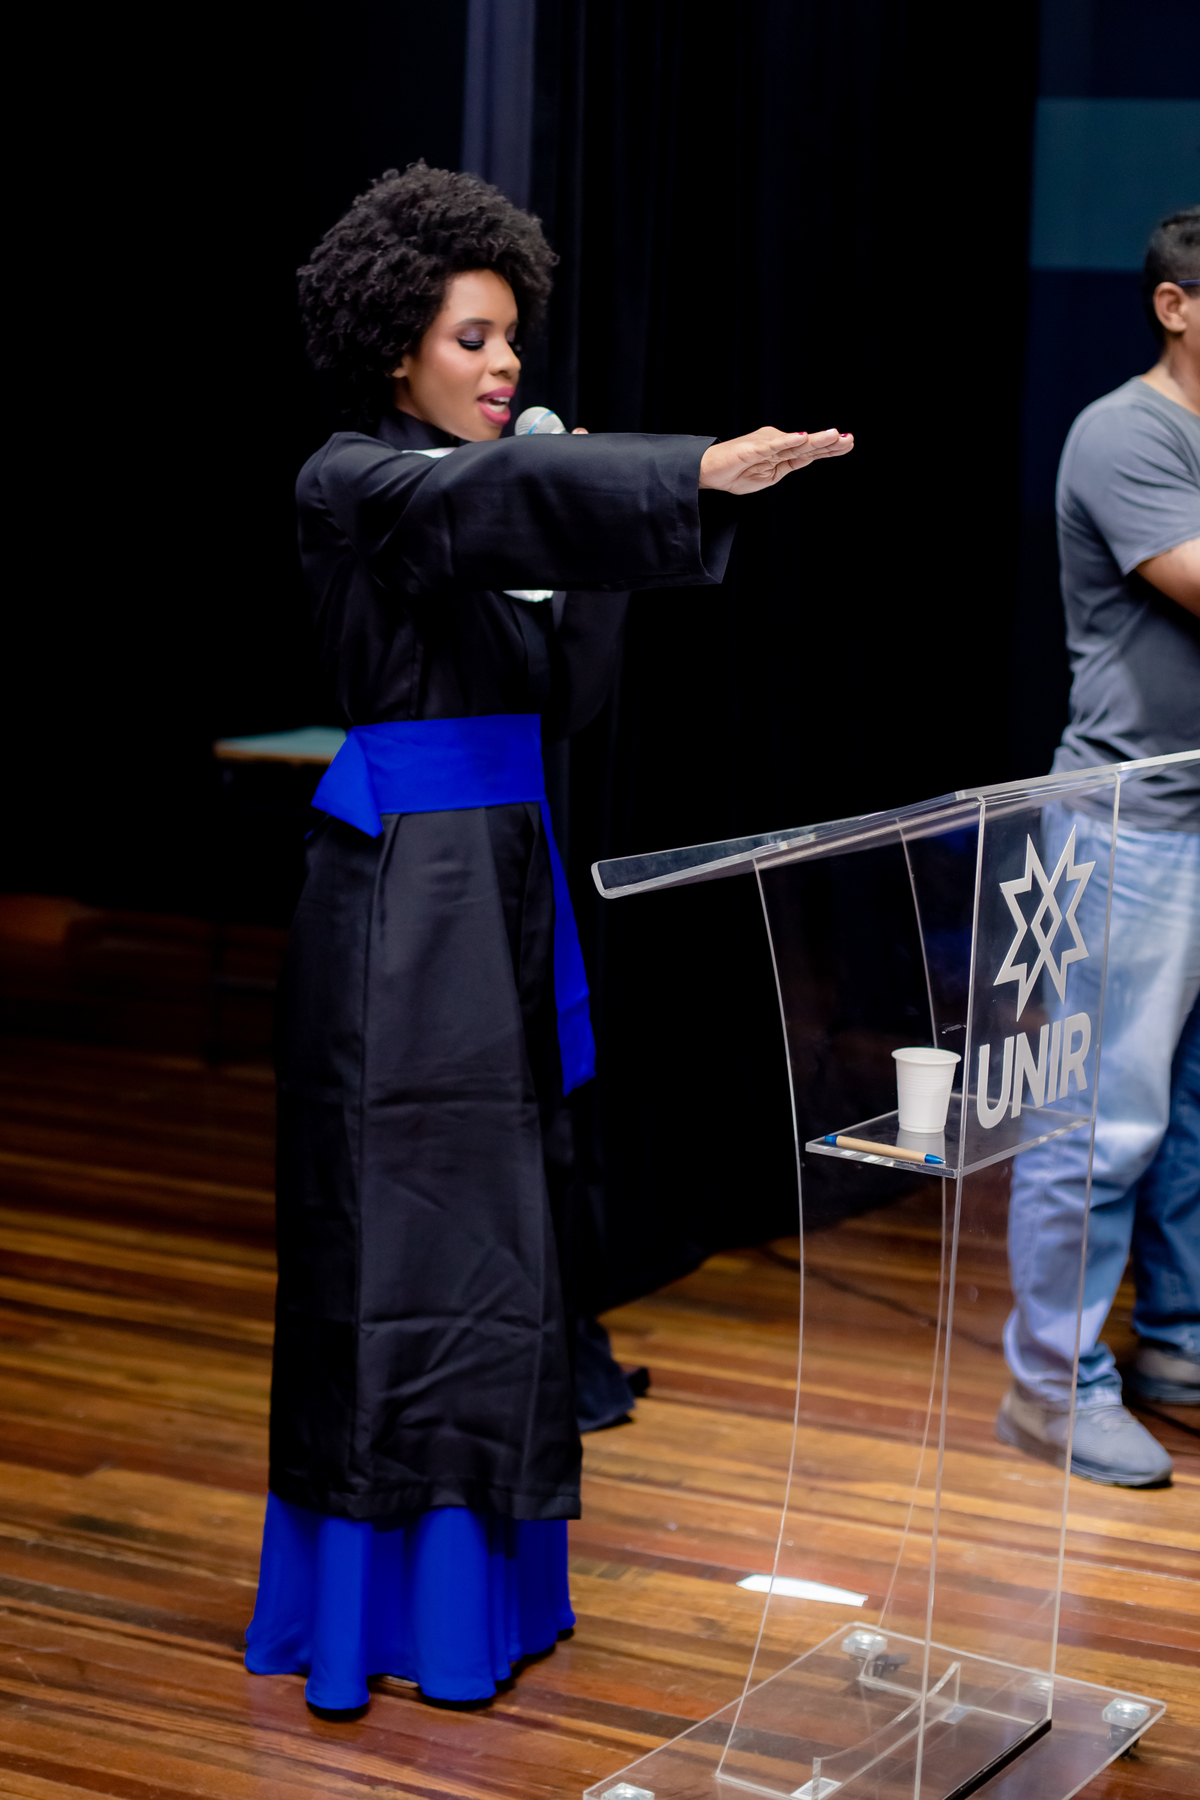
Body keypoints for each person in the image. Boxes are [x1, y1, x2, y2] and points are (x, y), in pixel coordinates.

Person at [243, 162, 854, 1713]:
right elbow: (484, 501)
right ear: (397, 349)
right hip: (402, 910)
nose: (506, 362)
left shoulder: (493, 494)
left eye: (514, 336)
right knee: (395, 1241)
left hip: (505, 889)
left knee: (507, 1242)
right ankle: (378, 1612)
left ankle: (491, 1596)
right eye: (474, 338)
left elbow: (566, 697)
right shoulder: (354, 479)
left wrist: (601, 543)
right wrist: (686, 471)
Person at [997, 206, 1200, 1487]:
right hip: (1130, 829)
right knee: (1099, 1121)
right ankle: (1052, 1388)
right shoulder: (1127, 433)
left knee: (1192, 1118)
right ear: (1176, 305)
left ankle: (1178, 1345)